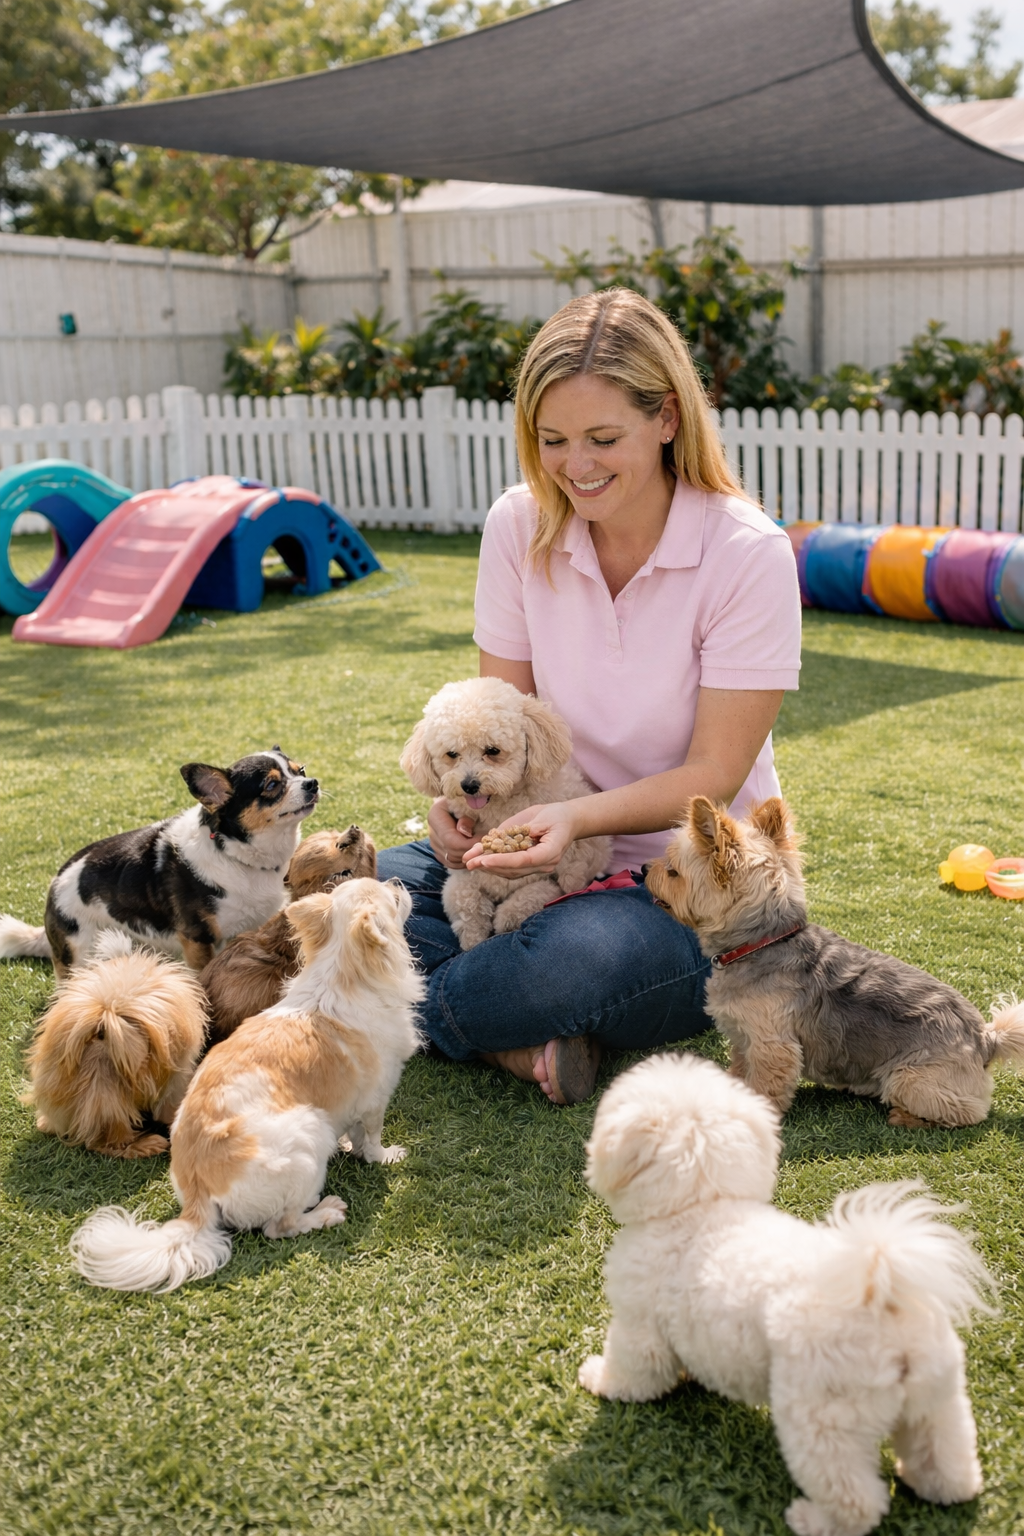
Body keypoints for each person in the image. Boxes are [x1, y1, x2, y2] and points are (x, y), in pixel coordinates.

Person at [378, 288, 801, 1104]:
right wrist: (463, 818)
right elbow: (496, 718)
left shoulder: (747, 552)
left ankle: (441, 1009)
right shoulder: (518, 525)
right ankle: (516, 1033)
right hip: (531, 848)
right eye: (553, 440)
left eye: (604, 438)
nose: (577, 466)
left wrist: (575, 819)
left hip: (683, 885)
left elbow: (712, 774)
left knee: (569, 965)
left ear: (668, 418)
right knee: (349, 891)